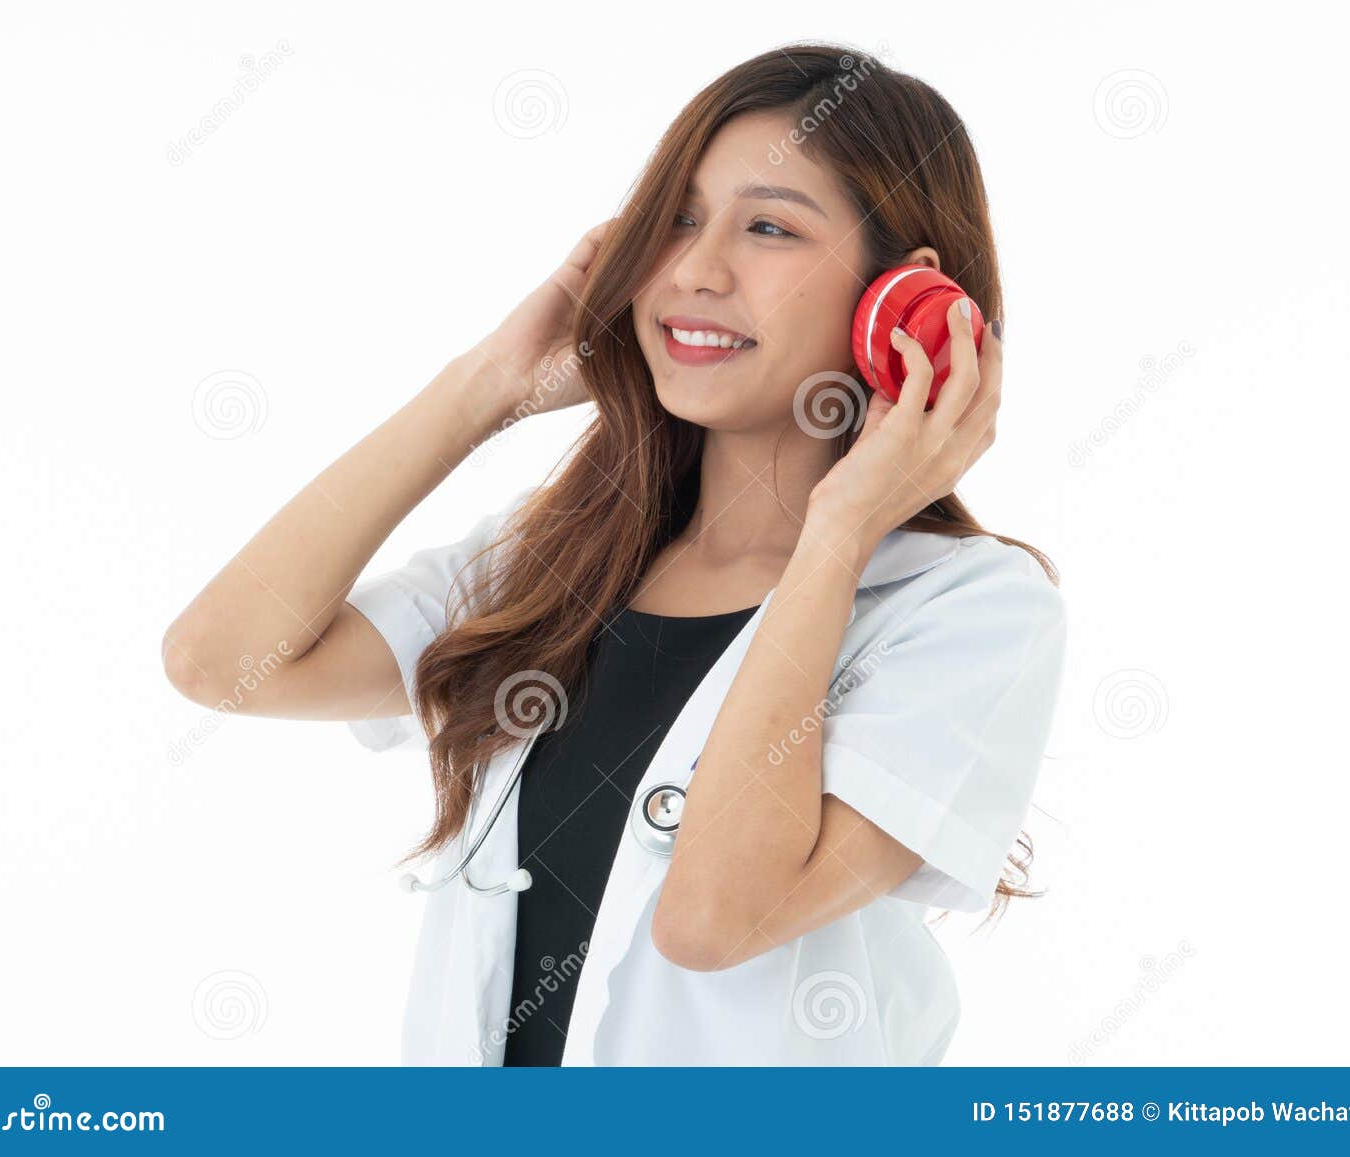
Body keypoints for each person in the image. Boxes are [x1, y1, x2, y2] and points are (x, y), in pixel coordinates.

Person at [163, 42, 1067, 1066]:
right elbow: (221, 659)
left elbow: (713, 919)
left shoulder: (971, 610)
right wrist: (486, 387)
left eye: (768, 226)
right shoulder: (548, 553)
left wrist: (838, 533)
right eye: (676, 217)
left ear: (902, 298)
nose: (694, 268)